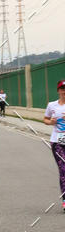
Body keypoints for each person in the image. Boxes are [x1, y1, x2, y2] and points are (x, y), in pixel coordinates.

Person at [43, 78, 65, 212]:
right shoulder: (52, 105)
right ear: (58, 90)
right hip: (57, 141)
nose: (64, 91)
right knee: (63, 170)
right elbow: (45, 119)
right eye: (62, 89)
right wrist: (50, 122)